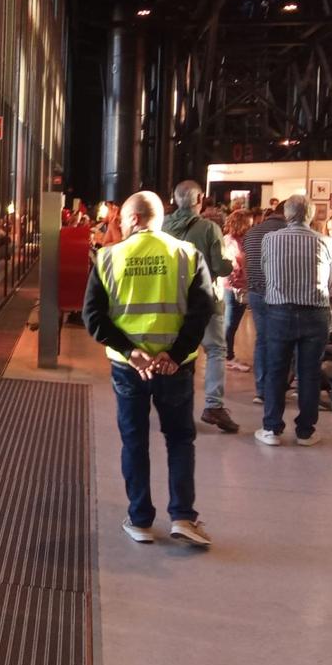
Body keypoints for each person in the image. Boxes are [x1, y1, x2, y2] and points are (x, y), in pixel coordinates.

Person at [83, 190, 215, 547]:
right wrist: (174, 354)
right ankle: (183, 517)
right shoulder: (188, 255)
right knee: (179, 439)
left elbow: (92, 317)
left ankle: (140, 519)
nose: (120, 227)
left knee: (134, 441)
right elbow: (202, 311)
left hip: (129, 370)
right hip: (175, 368)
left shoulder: (108, 257)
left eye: (122, 220)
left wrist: (130, 351)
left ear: (135, 219)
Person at [255, 194, 332, 447]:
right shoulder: (325, 241)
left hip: (279, 311)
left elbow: (265, 271)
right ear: (311, 215)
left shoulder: (270, 239)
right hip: (315, 313)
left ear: (287, 214)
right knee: (310, 373)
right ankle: (305, 431)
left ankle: (271, 429)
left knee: (276, 371)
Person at [163, 180, 239, 433]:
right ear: (200, 199)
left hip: (170, 301)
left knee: (177, 351)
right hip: (205, 301)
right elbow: (220, 267)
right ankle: (213, 405)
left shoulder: (162, 226)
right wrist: (231, 263)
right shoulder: (209, 228)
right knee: (216, 349)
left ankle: (173, 406)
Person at [244, 200, 287, 407]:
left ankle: (260, 390)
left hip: (255, 292)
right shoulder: (287, 232)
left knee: (262, 340)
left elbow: (246, 264)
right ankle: (280, 387)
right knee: (283, 341)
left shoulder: (252, 232)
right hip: (279, 293)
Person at [222, 210, 251, 371]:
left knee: (232, 322)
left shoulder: (239, 240)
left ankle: (229, 353)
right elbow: (232, 264)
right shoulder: (232, 241)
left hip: (238, 285)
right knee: (230, 322)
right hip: (234, 286)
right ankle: (228, 355)